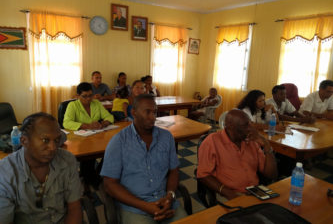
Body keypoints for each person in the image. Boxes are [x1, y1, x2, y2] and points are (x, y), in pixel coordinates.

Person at [101, 94, 187, 223]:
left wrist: (170, 196)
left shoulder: (166, 137)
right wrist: (146, 206)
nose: (153, 117)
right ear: (133, 112)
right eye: (147, 112)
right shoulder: (118, 142)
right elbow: (109, 184)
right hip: (135, 207)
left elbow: (174, 170)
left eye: (155, 112)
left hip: (166, 203)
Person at [0, 112, 82, 223]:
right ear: (24, 141)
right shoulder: (5, 172)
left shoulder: (67, 160)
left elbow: (74, 208)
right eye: (45, 140)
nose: (53, 148)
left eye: (57, 140)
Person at [197, 109, 278, 200]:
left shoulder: (251, 141)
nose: (250, 128)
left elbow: (271, 174)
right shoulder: (212, 141)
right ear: (231, 127)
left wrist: (266, 145)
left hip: (255, 192)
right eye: (245, 125)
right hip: (227, 194)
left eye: (250, 124)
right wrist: (230, 194)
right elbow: (203, 175)